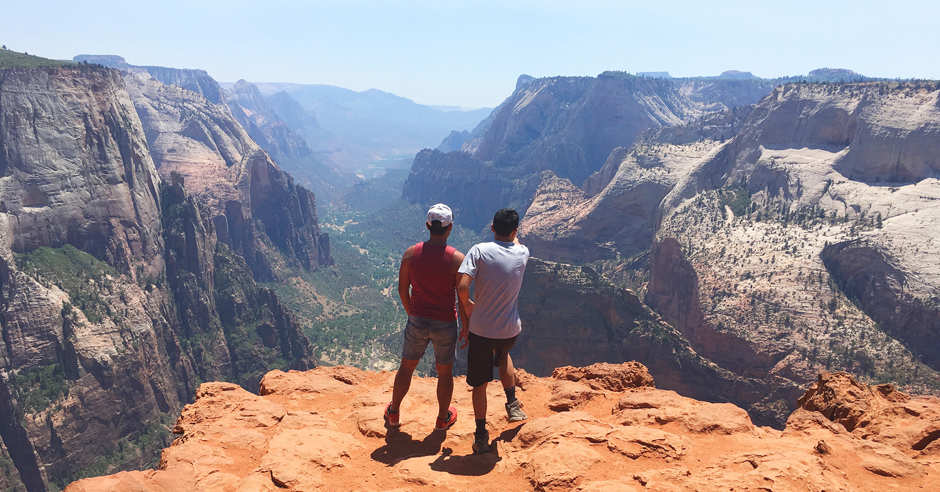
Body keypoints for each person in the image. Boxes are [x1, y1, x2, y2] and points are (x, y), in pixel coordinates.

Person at [384, 203, 466, 432]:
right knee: (445, 372)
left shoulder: (410, 254)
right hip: (445, 323)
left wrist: (412, 313)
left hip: (418, 319)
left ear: (427, 226)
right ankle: (442, 418)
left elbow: (403, 290)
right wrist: (466, 326)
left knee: (406, 368)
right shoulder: (457, 259)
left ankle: (394, 413)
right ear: (450, 228)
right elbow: (462, 296)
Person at [457, 208, 529, 454]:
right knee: (503, 356)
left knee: (480, 384)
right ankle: (512, 403)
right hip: (509, 330)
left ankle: (480, 433)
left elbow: (463, 284)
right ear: (515, 231)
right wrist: (514, 235)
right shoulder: (523, 252)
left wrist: (467, 305)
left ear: (491, 228)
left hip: (481, 329)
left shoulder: (479, 250)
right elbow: (515, 242)